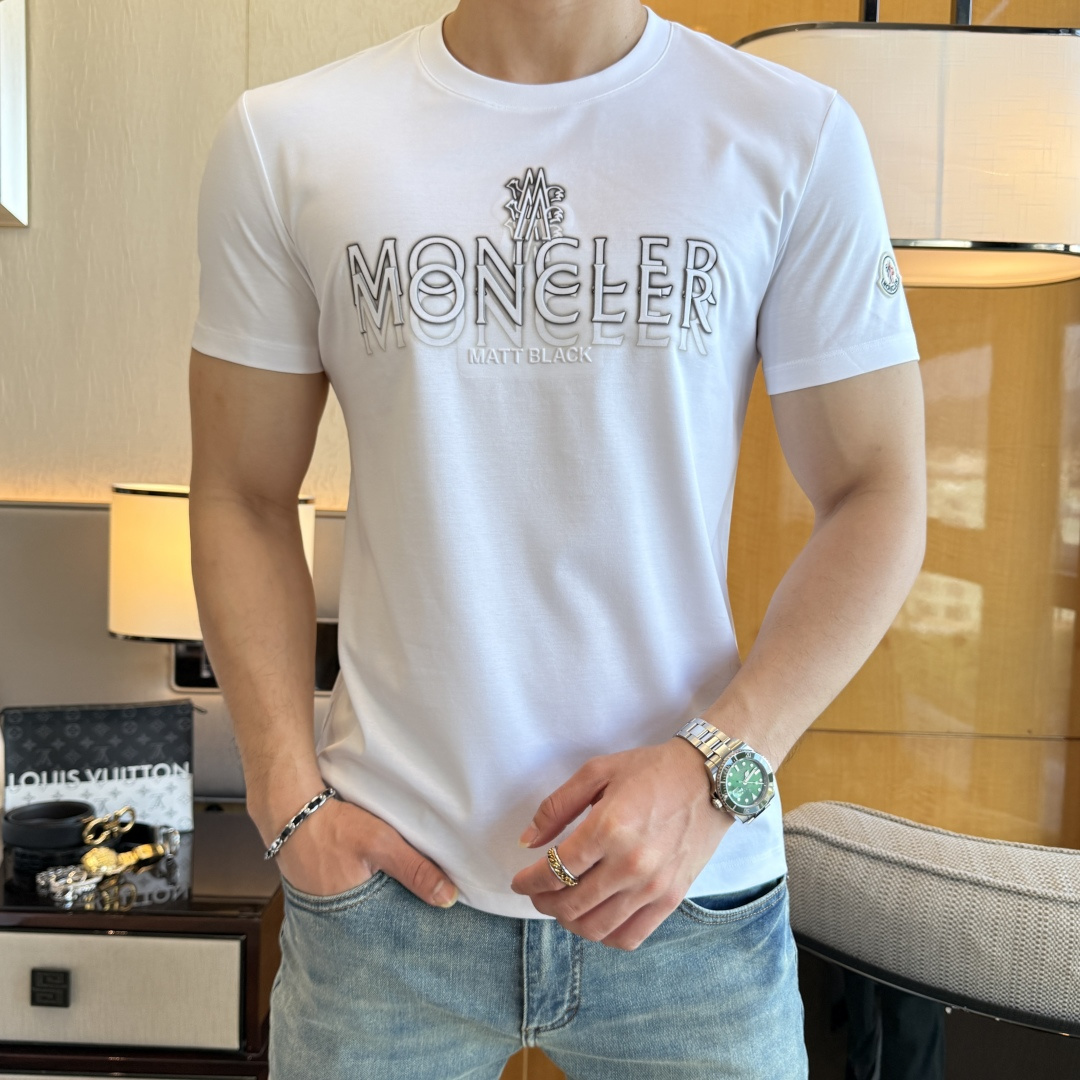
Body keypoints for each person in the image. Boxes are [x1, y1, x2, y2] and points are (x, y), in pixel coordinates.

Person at [187, 1, 926, 1077]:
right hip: (384, 905)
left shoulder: (791, 134)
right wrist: (282, 796)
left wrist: (717, 770)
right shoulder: (290, 138)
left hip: (691, 903)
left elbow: (879, 491)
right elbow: (242, 495)